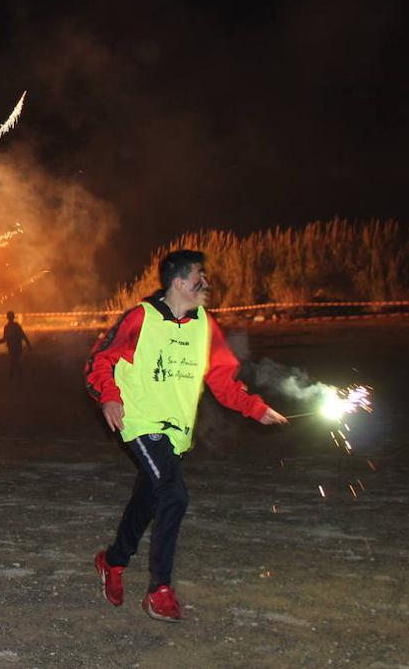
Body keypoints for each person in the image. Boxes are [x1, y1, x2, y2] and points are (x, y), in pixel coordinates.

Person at [85, 249, 288, 622]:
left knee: (149, 499)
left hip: (177, 433)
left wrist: (256, 408)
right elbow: (100, 360)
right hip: (141, 423)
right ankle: (159, 590)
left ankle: (112, 561)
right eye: (199, 277)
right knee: (174, 495)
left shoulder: (205, 326)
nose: (205, 284)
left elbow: (222, 380)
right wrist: (110, 399)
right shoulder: (140, 318)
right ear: (178, 282)